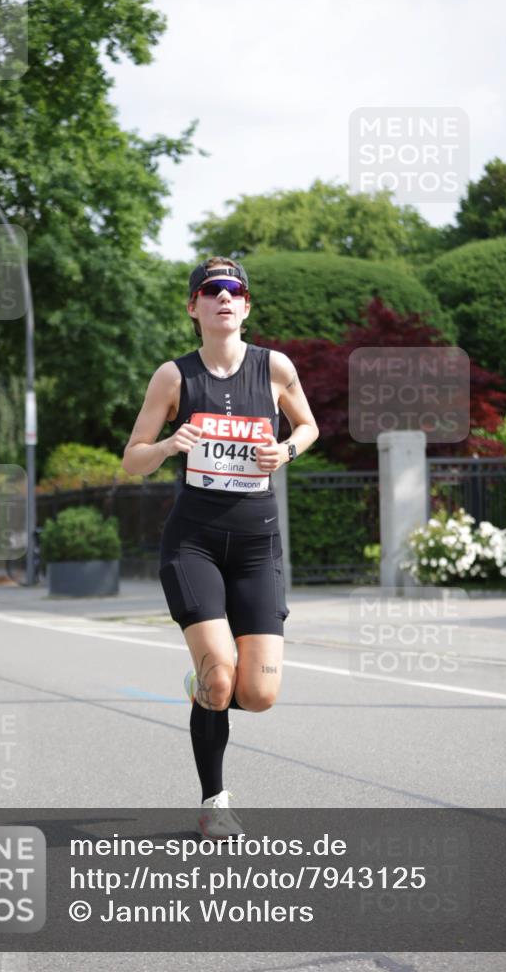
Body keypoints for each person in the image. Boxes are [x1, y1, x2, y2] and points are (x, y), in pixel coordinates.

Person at [122, 256, 318, 838]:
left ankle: (207, 686)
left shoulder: (275, 367)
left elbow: (307, 426)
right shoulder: (173, 377)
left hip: (258, 545)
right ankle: (215, 801)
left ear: (247, 306)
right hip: (195, 544)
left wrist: (286, 451)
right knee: (218, 678)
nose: (225, 298)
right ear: (194, 307)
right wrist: (166, 445)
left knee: (257, 694)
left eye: (235, 290)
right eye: (212, 290)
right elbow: (132, 458)